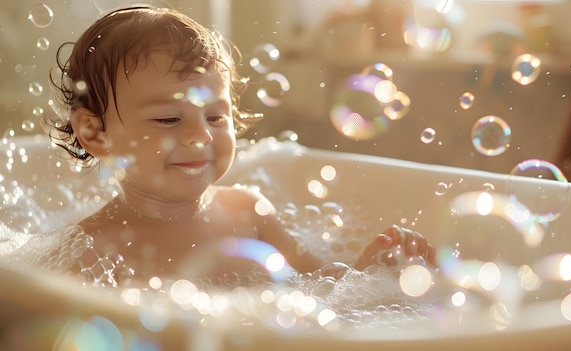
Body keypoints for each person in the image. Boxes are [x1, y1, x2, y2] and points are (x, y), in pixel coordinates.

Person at [46, 6, 435, 286]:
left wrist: (374, 272)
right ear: (96, 133)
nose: (200, 136)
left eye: (216, 117)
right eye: (169, 118)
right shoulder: (89, 250)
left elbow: (324, 287)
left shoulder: (250, 212)